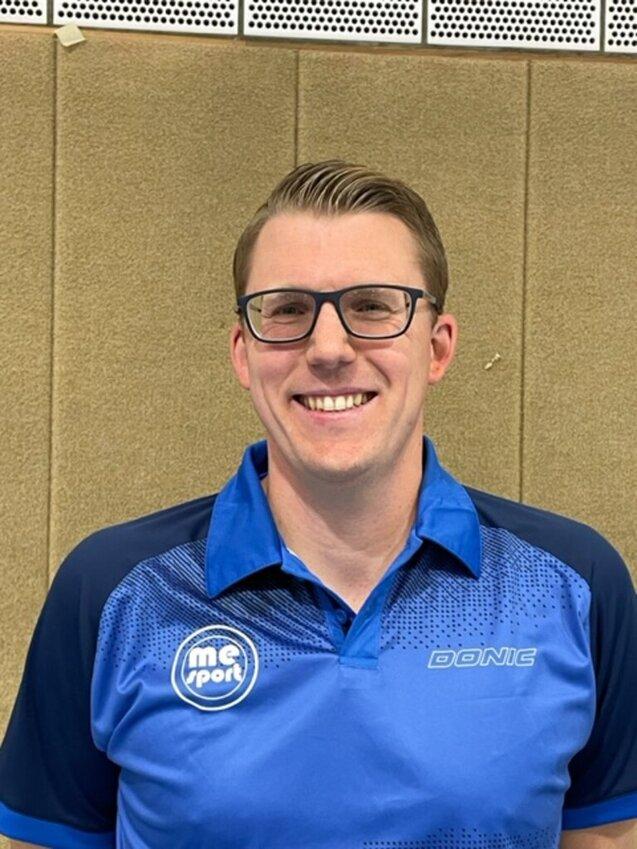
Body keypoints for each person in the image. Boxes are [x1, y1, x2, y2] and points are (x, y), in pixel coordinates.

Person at [0, 160, 635, 849]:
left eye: (372, 305)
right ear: (244, 353)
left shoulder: (574, 584)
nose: (329, 348)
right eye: (288, 311)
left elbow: (605, 837)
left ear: (437, 346)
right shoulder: (114, 591)